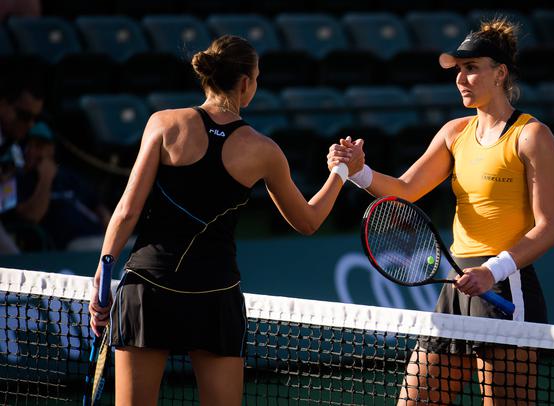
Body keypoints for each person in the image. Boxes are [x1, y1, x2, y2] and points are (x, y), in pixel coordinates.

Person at [88, 35, 352, 405]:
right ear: (245, 83)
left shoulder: (163, 124)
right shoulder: (263, 151)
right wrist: (340, 172)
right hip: (214, 296)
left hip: (147, 288)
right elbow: (307, 221)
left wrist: (105, 265)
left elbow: (128, 209)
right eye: (257, 78)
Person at [328, 17, 554, 405]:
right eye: (458, 70)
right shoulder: (455, 132)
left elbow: (549, 227)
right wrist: (359, 171)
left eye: (471, 69)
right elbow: (405, 190)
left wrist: (493, 270)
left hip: (505, 284)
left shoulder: (531, 136)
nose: (461, 79)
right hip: (458, 284)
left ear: (500, 73)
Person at [11, 122, 111, 250]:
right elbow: (32, 217)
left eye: (39, 146)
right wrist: (46, 178)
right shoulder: (21, 180)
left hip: (97, 239)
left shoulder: (68, 177)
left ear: (52, 148)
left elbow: (100, 208)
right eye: (27, 145)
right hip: (69, 249)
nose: (32, 151)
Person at [0, 57, 46, 254]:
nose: (30, 125)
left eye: (35, 119)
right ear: (3, 105)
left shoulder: (16, 147)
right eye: (24, 116)